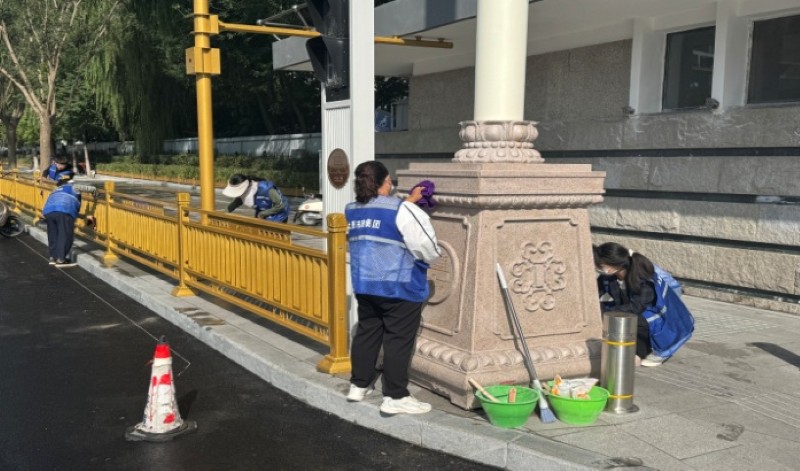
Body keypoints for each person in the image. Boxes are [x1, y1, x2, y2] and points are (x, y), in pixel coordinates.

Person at [344, 161, 440, 415]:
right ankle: (395, 396)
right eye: (389, 181)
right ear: (385, 182)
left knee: (367, 333)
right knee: (398, 339)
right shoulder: (402, 209)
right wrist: (410, 205)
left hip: (366, 284)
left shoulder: (352, 210)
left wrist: (409, 201)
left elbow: (382, 219)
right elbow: (428, 248)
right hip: (399, 287)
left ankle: (359, 385)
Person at [594, 242, 694, 367]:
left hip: (656, 317)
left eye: (601, 265)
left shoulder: (642, 278)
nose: (599, 269)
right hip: (637, 314)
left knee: (637, 322)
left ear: (616, 264)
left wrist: (605, 313)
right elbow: (594, 292)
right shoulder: (609, 277)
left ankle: (656, 350)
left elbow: (636, 307)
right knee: (608, 312)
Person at [42, 172, 96, 267]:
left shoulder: (55, 190)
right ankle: (61, 259)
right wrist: (95, 192)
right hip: (63, 210)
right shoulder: (73, 187)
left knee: (53, 234)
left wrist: (84, 216)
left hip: (48, 211)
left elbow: (70, 210)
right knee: (65, 235)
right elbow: (90, 188)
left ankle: (53, 257)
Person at [222, 174, 289, 223]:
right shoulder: (244, 192)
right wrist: (224, 213)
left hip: (279, 214)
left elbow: (280, 205)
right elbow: (236, 203)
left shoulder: (267, 189)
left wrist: (262, 214)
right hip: (262, 212)